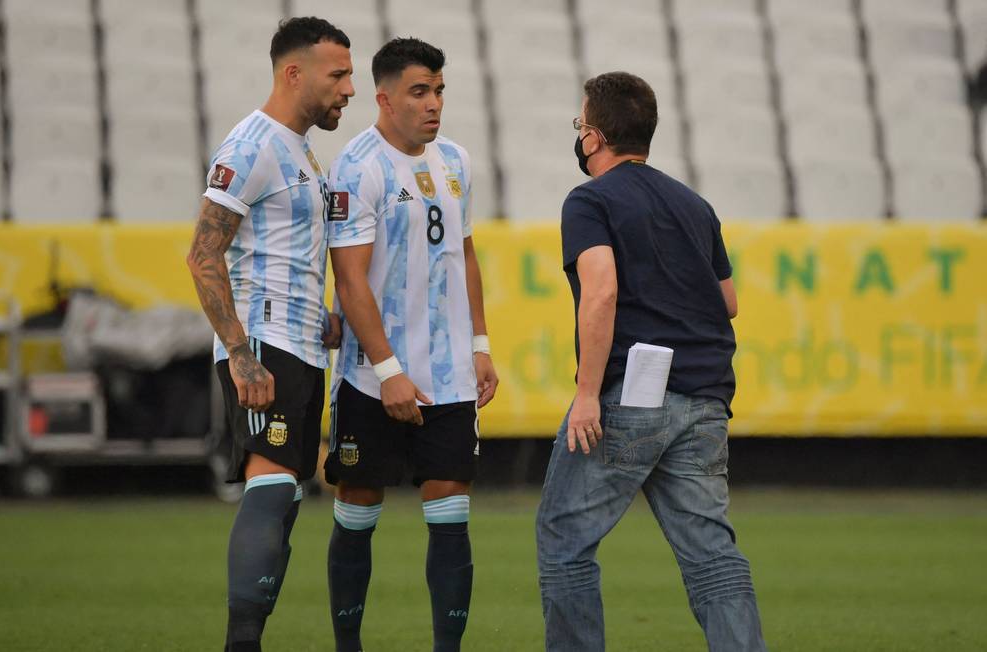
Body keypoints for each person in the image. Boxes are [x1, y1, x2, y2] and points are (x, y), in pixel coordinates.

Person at [535, 72, 766, 652]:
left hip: (633, 393)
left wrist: (587, 394)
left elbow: (602, 291)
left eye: (579, 125)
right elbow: (728, 302)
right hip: (705, 398)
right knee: (711, 554)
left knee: (565, 537)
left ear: (594, 136)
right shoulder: (694, 204)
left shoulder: (589, 200)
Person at [324, 37, 499, 652]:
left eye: (440, 91)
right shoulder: (356, 166)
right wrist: (389, 370)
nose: (434, 105)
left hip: (449, 377)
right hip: (373, 378)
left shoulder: (456, 159)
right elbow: (350, 279)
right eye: (420, 92)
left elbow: (465, 254)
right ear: (385, 97)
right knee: (359, 509)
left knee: (450, 514)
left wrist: (479, 343)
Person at [184, 17, 352, 652]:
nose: (348, 89)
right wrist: (238, 355)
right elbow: (204, 255)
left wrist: (324, 321)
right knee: (273, 486)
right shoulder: (251, 145)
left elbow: (281, 252)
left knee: (285, 500)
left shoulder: (301, 150)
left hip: (302, 344)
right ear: (294, 73)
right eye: (337, 75)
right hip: (263, 344)